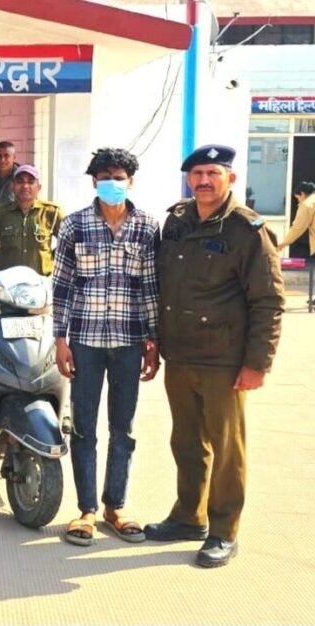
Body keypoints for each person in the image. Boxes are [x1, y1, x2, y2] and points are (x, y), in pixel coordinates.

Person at [144, 144, 285, 568]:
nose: (204, 181)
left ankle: (224, 531)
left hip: (224, 358)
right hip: (180, 353)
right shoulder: (177, 220)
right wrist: (156, 340)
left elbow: (268, 300)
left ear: (230, 178)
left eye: (213, 173)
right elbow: (163, 285)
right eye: (197, 174)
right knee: (186, 442)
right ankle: (189, 516)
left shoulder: (247, 230)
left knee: (227, 450)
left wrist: (257, 363)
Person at [51, 148, 161, 547]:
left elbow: (151, 286)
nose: (111, 183)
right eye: (104, 177)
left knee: (123, 427)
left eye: (118, 177)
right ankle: (86, 511)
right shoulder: (75, 225)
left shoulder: (147, 227)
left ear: (130, 181)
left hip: (129, 341)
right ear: (94, 182)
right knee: (83, 426)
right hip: (85, 341)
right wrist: (60, 339)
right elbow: (62, 285)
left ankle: (116, 506)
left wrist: (154, 341)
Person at [0, 164, 64, 276]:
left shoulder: (52, 212)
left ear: (38, 187)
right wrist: (2, 257)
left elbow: (69, 243)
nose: (25, 186)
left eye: (31, 182)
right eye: (20, 181)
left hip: (40, 280)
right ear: (12, 186)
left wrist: (49, 259)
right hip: (8, 280)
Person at [278, 180, 315, 259]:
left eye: (297, 198)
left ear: (302, 194)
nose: (298, 201)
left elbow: (298, 227)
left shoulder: (307, 204)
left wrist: (284, 243)